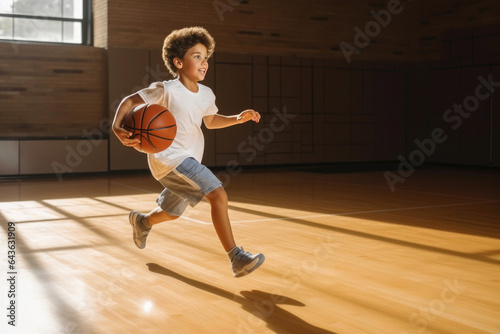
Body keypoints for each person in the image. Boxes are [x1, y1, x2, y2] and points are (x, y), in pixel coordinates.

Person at [112, 27, 265, 277]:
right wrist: (116, 126)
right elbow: (130, 101)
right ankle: (236, 257)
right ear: (178, 62)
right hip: (169, 158)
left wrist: (237, 118)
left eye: (206, 58)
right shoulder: (166, 89)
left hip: (188, 160)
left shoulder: (206, 94)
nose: (204, 63)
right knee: (218, 195)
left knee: (171, 212)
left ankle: (142, 221)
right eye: (197, 56)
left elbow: (211, 121)